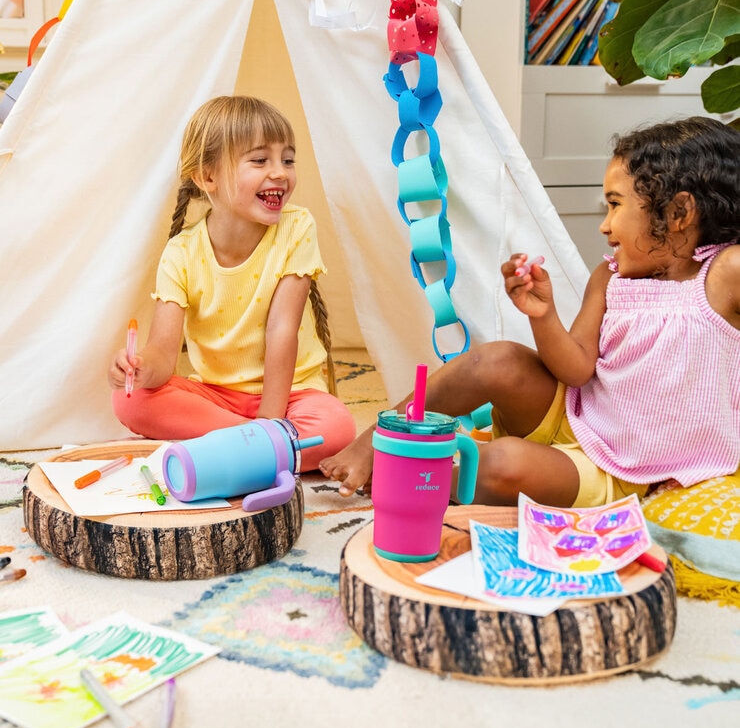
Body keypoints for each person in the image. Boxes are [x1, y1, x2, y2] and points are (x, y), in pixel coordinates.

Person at [320, 116, 740, 506]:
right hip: (576, 415)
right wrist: (543, 315)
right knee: (497, 358)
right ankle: (381, 439)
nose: (605, 225)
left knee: (502, 463)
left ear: (680, 212)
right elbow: (575, 369)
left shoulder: (724, 276)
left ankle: (403, 475)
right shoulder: (610, 278)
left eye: (615, 204)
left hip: (617, 472)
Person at [109, 96, 356, 470]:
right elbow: (163, 350)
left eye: (287, 160)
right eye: (260, 160)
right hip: (216, 397)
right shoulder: (181, 252)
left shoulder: (297, 227)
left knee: (336, 427)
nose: (280, 173)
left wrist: (271, 422)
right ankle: (259, 449)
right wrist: (141, 366)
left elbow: (282, 329)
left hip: (292, 395)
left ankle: (248, 446)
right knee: (129, 399)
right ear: (207, 176)